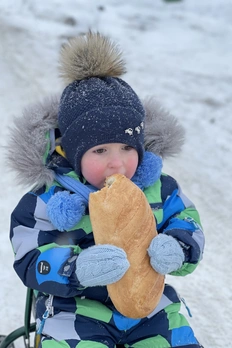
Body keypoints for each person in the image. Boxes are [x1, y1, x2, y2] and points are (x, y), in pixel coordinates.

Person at [7, 32, 204, 348]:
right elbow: (30, 258)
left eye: (127, 147)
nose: (118, 164)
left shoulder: (159, 189)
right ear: (73, 153)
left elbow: (187, 223)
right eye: (100, 151)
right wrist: (75, 269)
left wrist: (178, 247)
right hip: (75, 311)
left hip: (151, 309)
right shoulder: (47, 200)